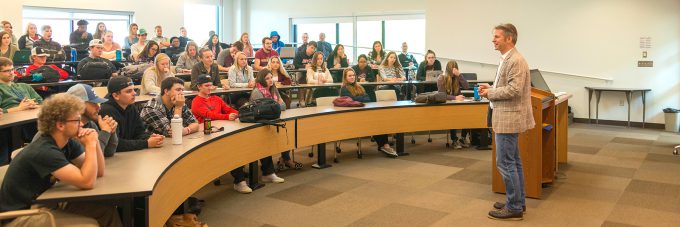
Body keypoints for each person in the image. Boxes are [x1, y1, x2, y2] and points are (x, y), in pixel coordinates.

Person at [0, 93, 123, 227]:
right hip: (21, 216)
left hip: (46, 204)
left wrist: (94, 141)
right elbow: (87, 181)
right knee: (88, 225)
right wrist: (90, 145)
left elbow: (98, 171)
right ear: (60, 125)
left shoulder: (67, 142)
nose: (81, 124)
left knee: (106, 213)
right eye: (76, 120)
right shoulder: (44, 150)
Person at [479, 23, 534, 221]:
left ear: (509, 38)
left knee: (505, 163)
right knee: (514, 161)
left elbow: (514, 90)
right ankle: (517, 201)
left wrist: (490, 93)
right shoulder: (507, 58)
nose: (493, 40)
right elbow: (507, 85)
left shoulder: (516, 60)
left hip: (508, 118)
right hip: (505, 116)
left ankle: (514, 208)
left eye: (497, 37)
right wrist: (491, 87)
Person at [190, 74, 259, 193]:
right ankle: (239, 181)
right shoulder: (196, 102)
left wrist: (240, 113)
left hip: (221, 129)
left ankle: (240, 172)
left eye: (211, 85)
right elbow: (209, 115)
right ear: (199, 87)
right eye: (206, 86)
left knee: (240, 141)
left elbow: (228, 109)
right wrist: (227, 117)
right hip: (206, 134)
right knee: (231, 147)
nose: (209, 88)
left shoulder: (216, 98)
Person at [340, 68, 398, 157]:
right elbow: (351, 101)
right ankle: (384, 145)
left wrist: (357, 99)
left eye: (353, 75)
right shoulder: (344, 89)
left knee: (379, 119)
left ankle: (384, 144)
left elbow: (367, 98)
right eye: (349, 76)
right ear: (345, 77)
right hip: (353, 114)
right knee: (374, 121)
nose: (352, 77)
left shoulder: (359, 86)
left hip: (364, 111)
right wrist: (360, 99)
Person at [99, 76, 164, 152]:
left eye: (134, 90)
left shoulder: (131, 106)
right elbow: (116, 144)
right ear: (116, 96)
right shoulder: (106, 111)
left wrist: (148, 137)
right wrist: (146, 143)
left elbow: (138, 132)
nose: (134, 93)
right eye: (129, 91)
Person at [437, 60, 469, 149]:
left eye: (455, 70)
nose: (453, 72)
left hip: (458, 102)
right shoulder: (441, 78)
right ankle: (454, 140)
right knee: (453, 117)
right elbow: (442, 95)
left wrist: (459, 75)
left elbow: (466, 86)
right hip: (448, 103)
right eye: (452, 70)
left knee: (468, 115)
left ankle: (463, 138)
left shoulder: (457, 77)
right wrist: (455, 98)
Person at [293, 41, 316, 106]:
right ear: (307, 46)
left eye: (314, 49)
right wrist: (304, 66)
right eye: (312, 48)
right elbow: (295, 65)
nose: (313, 50)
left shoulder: (314, 55)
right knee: (302, 80)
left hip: (311, 73)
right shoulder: (300, 54)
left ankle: (311, 99)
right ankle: (301, 99)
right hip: (301, 72)